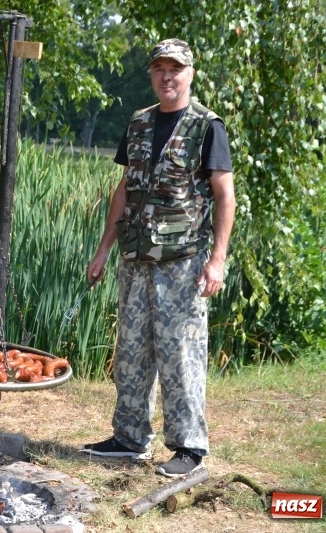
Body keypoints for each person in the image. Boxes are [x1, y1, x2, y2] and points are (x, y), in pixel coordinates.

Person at [79, 39, 236, 478]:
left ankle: (189, 447)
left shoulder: (207, 126)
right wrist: (103, 248)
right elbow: (124, 189)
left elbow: (225, 196)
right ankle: (129, 439)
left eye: (176, 69)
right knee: (130, 351)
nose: (168, 77)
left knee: (181, 355)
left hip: (181, 262)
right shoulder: (140, 123)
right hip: (134, 257)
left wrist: (218, 259)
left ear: (190, 74)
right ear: (152, 74)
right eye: (160, 69)